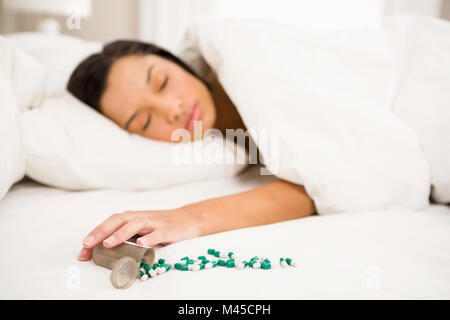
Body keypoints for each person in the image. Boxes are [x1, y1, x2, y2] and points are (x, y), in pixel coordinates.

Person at [67, 40, 315, 261]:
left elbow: (320, 182)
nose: (171, 108)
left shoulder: (250, 66)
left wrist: (189, 218)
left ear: (177, 62)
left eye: (162, 82)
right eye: (145, 121)